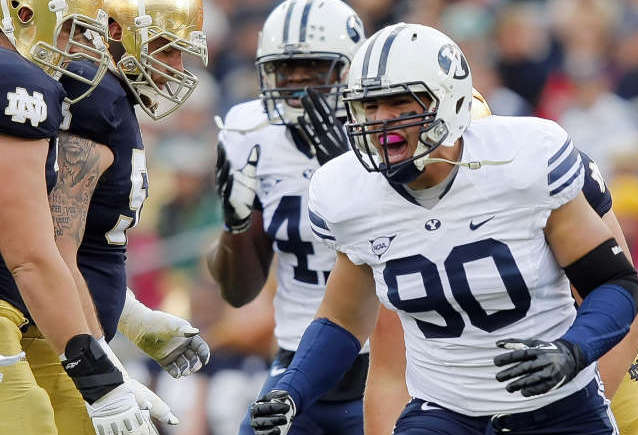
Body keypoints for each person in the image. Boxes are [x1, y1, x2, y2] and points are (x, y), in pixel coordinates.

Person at [249, 23, 638, 434]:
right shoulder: (348, 193)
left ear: (449, 103)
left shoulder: (523, 162)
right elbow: (343, 321)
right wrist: (292, 388)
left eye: (400, 103)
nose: (381, 122)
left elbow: (613, 282)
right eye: (369, 106)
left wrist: (572, 352)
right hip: (443, 411)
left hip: (558, 404)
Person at [364, 91, 638, 435]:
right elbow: (390, 372)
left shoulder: (544, 174)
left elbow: (621, 310)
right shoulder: (387, 210)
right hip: (468, 407)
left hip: (594, 373)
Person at [41, 0, 212, 431]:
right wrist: (104, 372)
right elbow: (57, 247)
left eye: (180, 52)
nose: (176, 65)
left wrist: (134, 319)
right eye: (165, 48)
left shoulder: (115, 100)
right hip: (56, 346)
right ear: (117, 33)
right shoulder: (95, 98)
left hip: (72, 340)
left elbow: (89, 247)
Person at [206, 1, 367, 434]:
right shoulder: (249, 131)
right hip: (297, 359)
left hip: (388, 355)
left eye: (313, 65)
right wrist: (235, 224)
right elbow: (239, 292)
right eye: (283, 68)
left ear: (351, 69)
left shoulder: (383, 130)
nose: (296, 80)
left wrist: (348, 177)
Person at [0, 1, 156, 434]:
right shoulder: (17, 82)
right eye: (71, 30)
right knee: (29, 417)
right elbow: (31, 254)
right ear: (25, 16)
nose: (80, 52)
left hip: (23, 317)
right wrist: (103, 379)